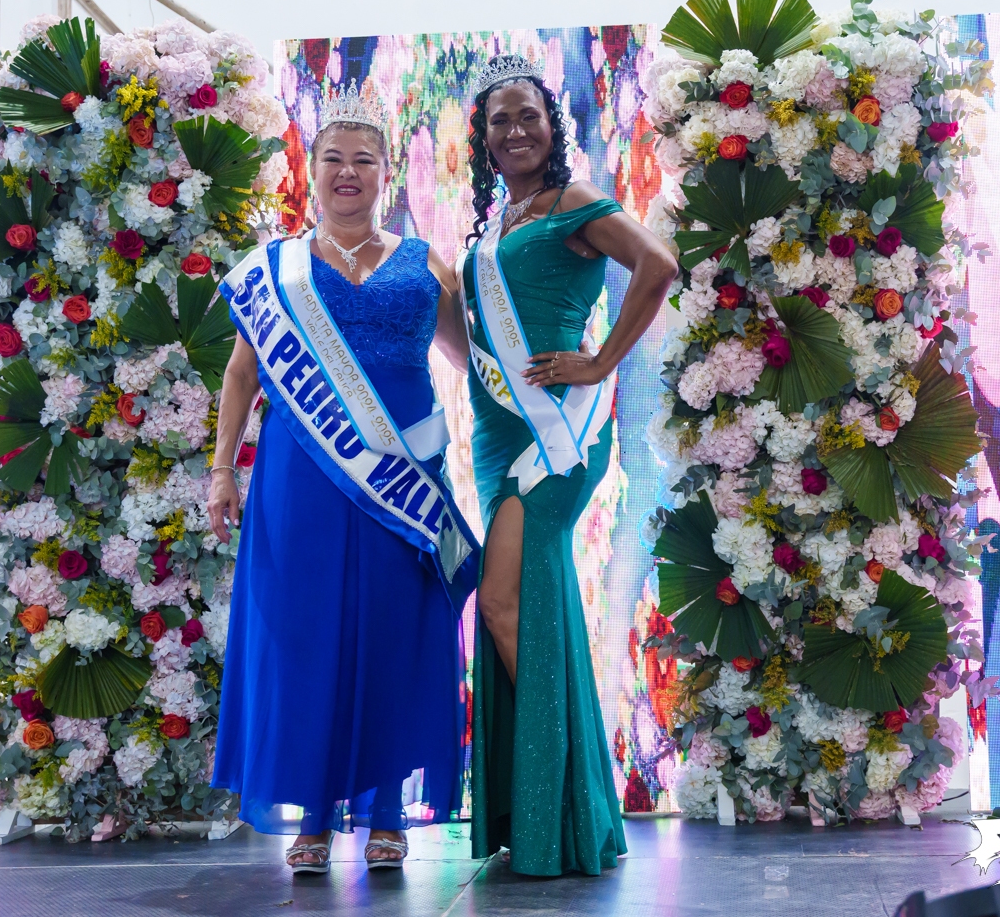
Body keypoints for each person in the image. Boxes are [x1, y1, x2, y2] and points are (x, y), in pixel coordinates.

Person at [208, 85, 478, 874]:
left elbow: (469, 364)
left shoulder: (429, 263)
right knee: (307, 639)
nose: (349, 174)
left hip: (402, 476)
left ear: (388, 174)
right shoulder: (275, 271)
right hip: (301, 481)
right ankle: (316, 816)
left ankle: (388, 812)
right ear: (312, 172)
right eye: (334, 161)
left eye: (365, 161)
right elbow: (238, 378)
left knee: (397, 634)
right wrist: (223, 469)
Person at [461, 53, 676, 877]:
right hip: (493, 435)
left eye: (529, 116)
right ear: (482, 140)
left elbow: (657, 266)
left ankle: (575, 800)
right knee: (528, 605)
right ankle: (558, 812)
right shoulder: (495, 229)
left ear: (553, 128)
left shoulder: (575, 204)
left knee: (505, 604)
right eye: (499, 120)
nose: (515, 131)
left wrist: (600, 362)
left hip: (556, 435)